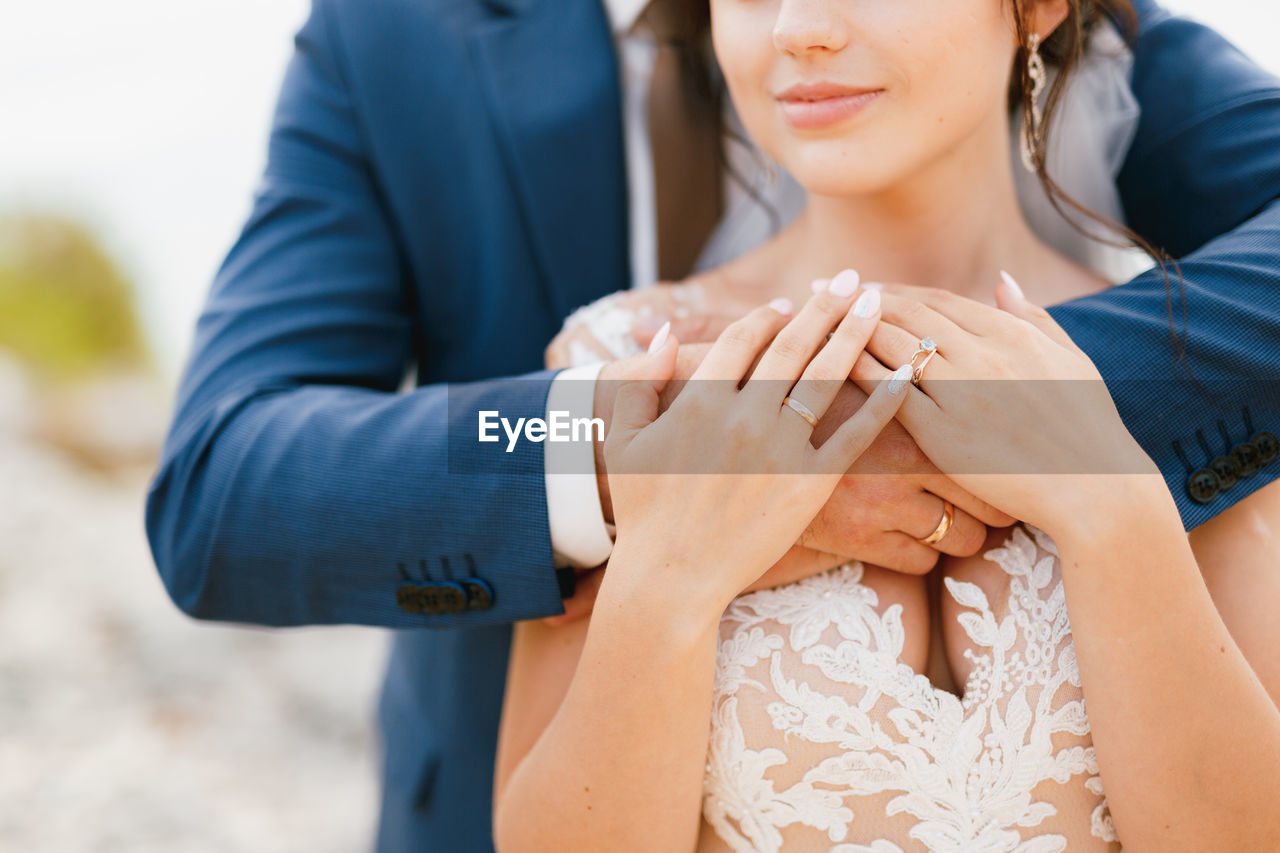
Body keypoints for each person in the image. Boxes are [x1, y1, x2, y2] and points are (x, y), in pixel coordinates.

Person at [142, 0, 1280, 849]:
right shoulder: (400, 57)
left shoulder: (1187, 365)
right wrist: (643, 482)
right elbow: (226, 484)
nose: (797, 29)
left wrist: (1087, 470)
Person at [491, 1, 1280, 848]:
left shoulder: (1190, 360)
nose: (798, 27)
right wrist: (671, 575)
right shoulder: (626, 366)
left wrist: (1110, 507)